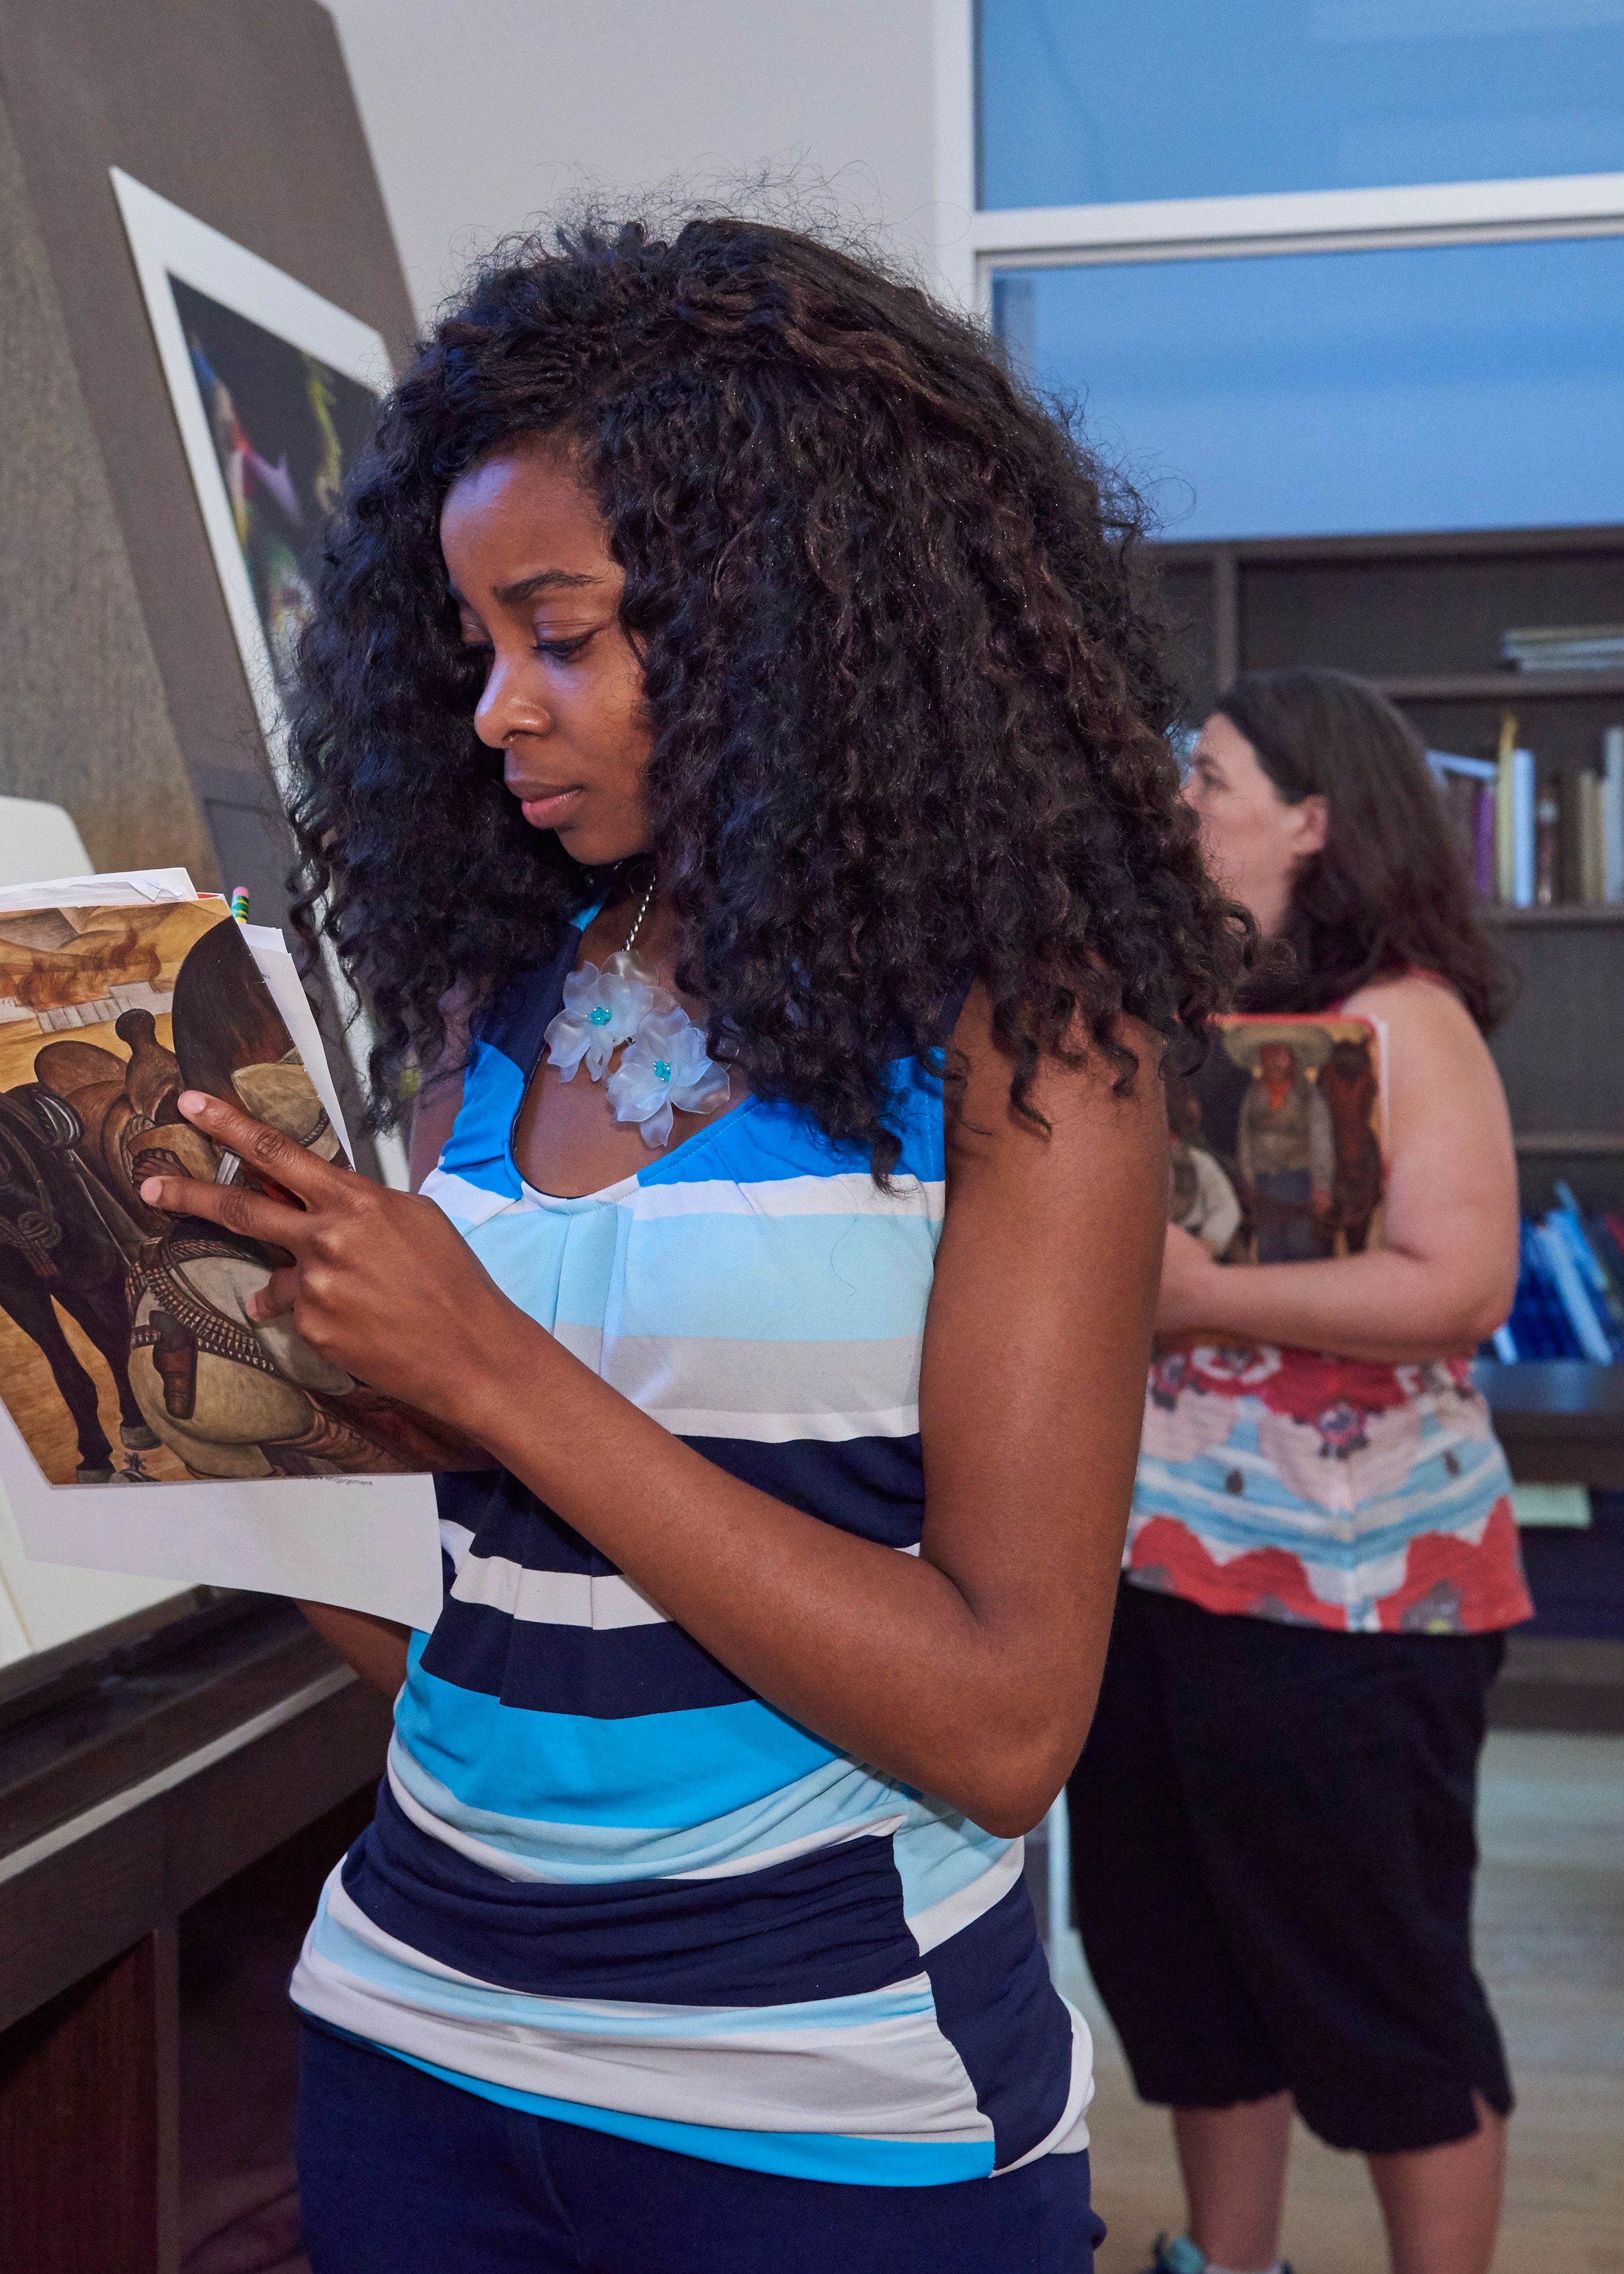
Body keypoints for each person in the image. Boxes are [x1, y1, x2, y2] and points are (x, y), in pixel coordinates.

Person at [130, 212, 1228, 2272]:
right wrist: (205, 1441)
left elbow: (1003, 1724)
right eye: (469, 645)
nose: (494, 711)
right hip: (408, 2037)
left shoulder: (1026, 1046)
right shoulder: (497, 996)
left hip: (822, 2104)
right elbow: (473, 1621)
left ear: (779, 624)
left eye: (561, 633)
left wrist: (486, 1371)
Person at [1069, 667, 1530, 2274]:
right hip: (1143, 1566)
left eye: (1208, 775)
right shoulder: (1171, 1013)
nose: (1179, 801)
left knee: (1372, 1969)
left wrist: (1200, 1299)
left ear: (1311, 816)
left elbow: (1457, 1286)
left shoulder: (1405, 1019)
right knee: (1174, 1957)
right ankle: (1227, 2256)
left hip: (1355, 1594)